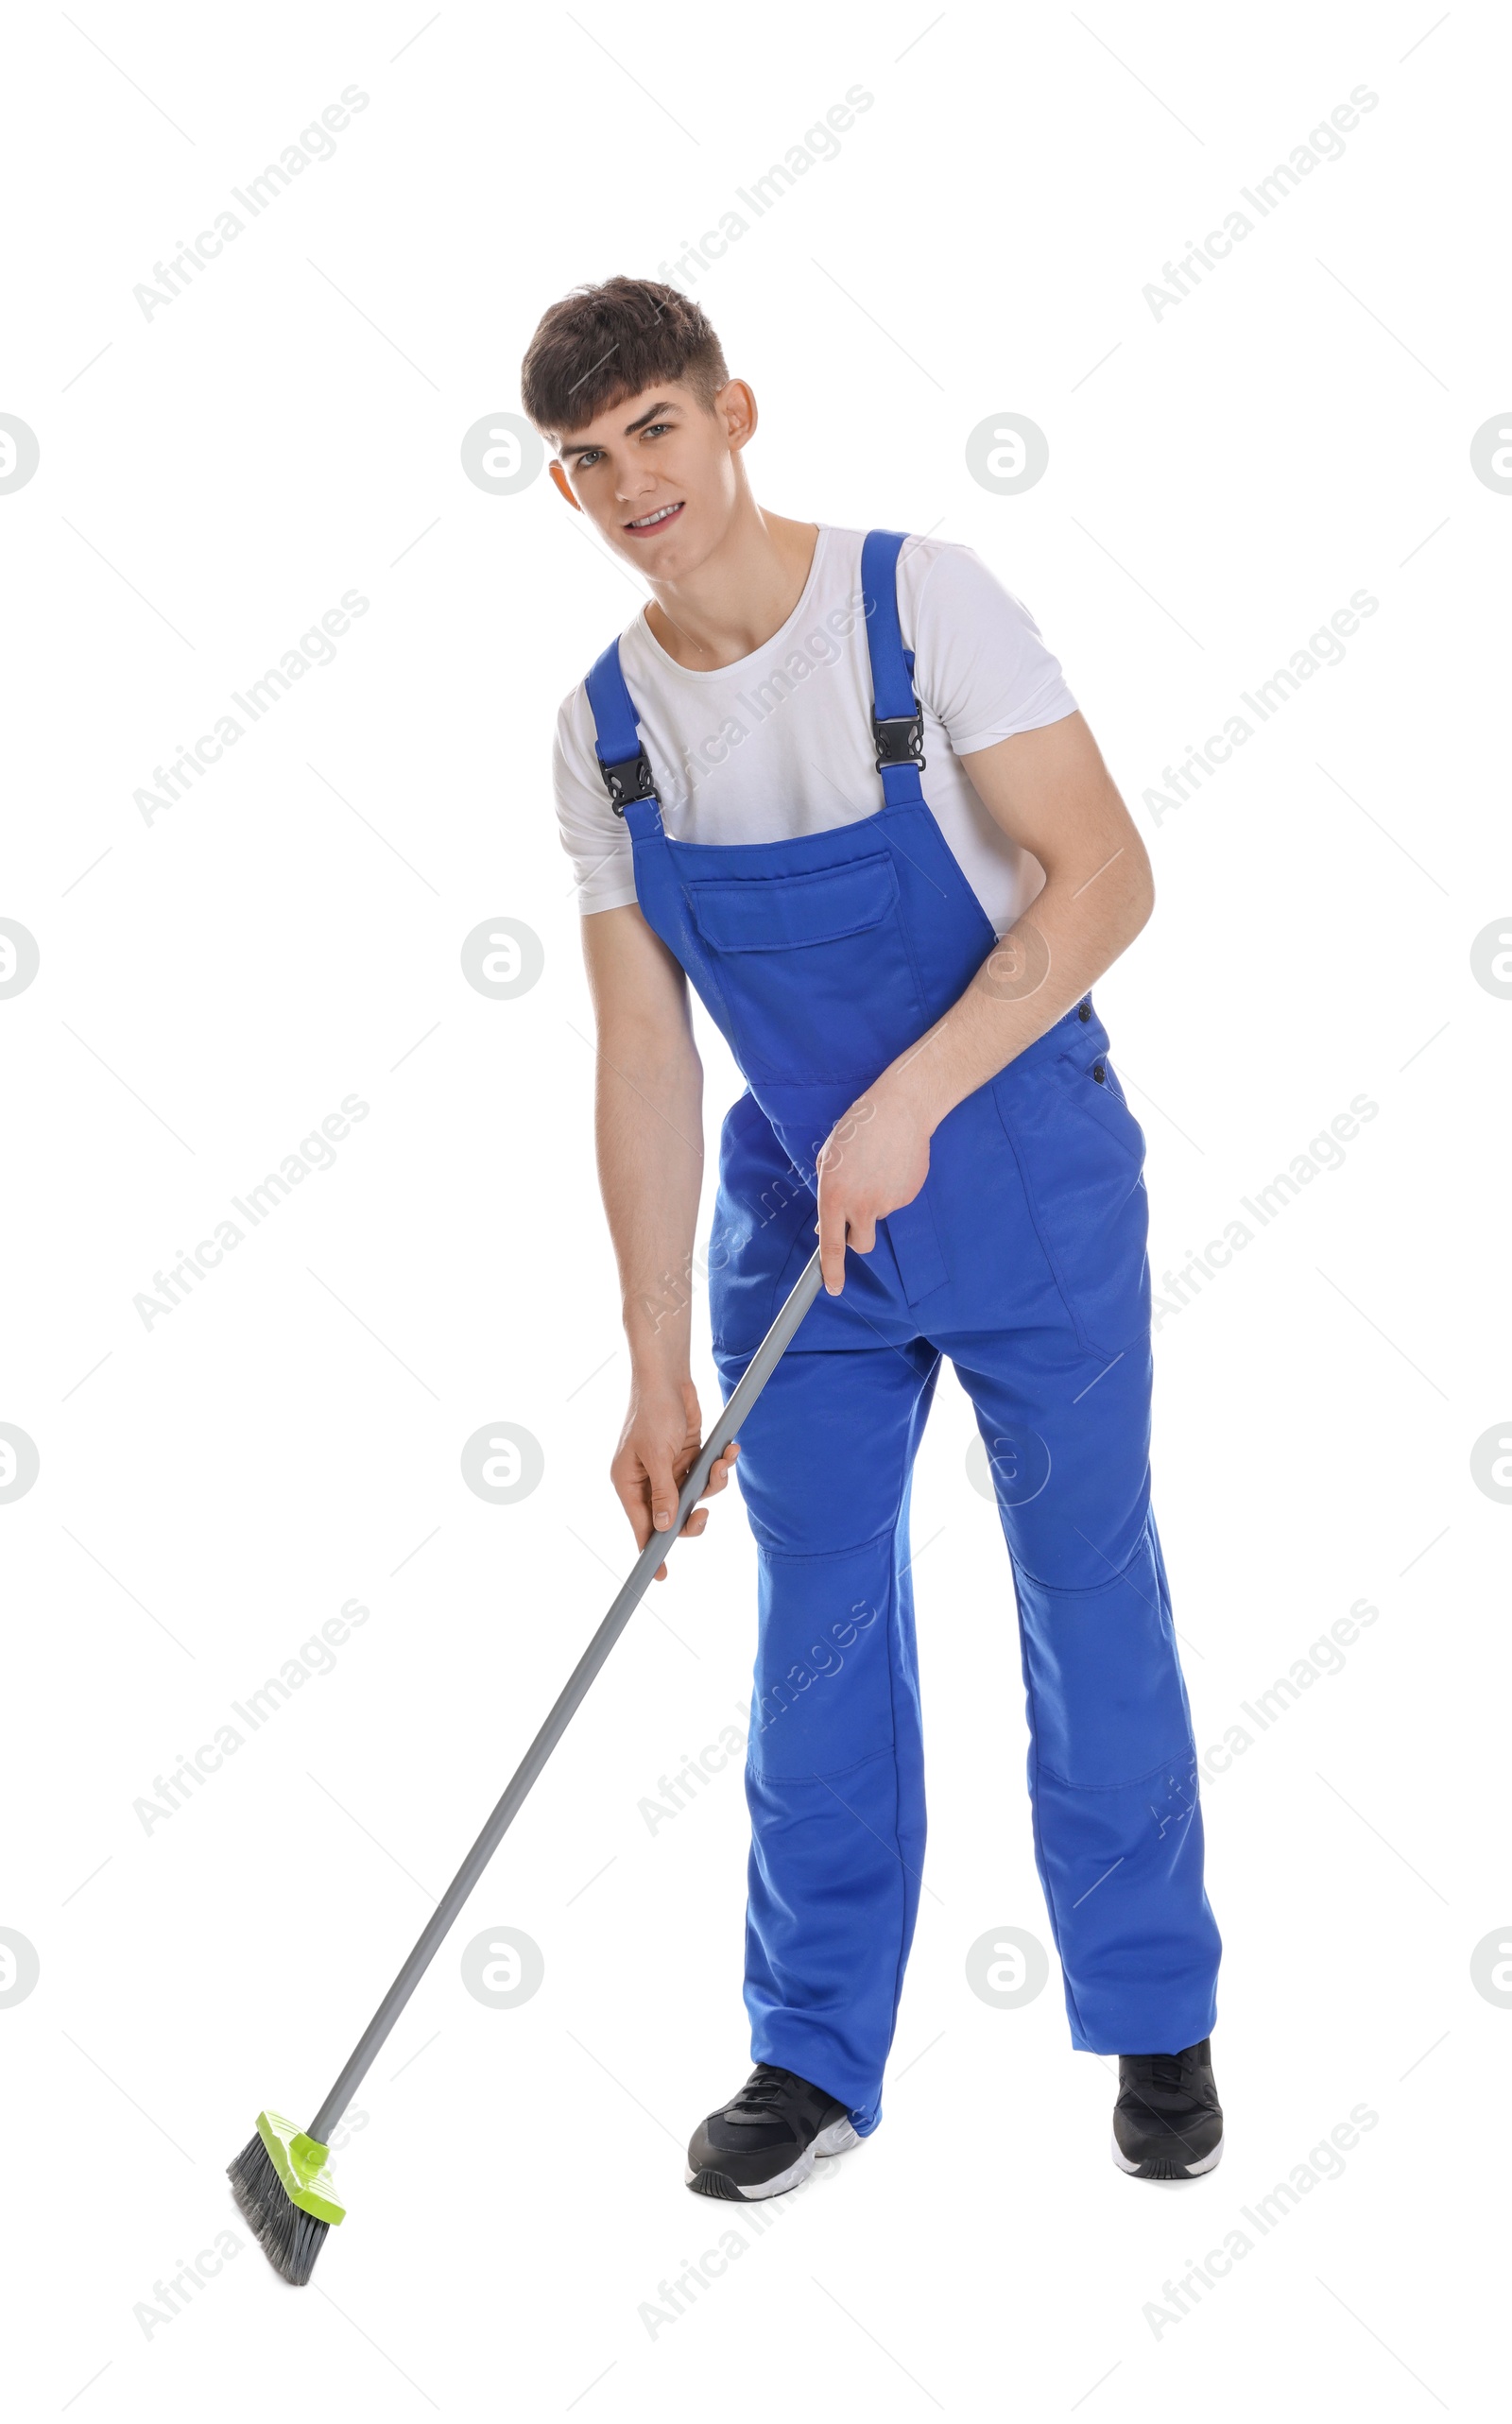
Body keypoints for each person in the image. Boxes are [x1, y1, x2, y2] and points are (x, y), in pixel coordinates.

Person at [524, 275, 1223, 2199]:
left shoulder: (923, 606)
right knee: (812, 1634)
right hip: (797, 1223)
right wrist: (655, 1366)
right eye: (583, 461)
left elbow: (1102, 873)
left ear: (732, 413)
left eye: (654, 429)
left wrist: (914, 1092)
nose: (627, 482)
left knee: (1082, 1589)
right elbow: (644, 1059)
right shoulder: (603, 729)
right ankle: (809, 2053)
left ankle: (1152, 2010)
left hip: (1020, 1172)